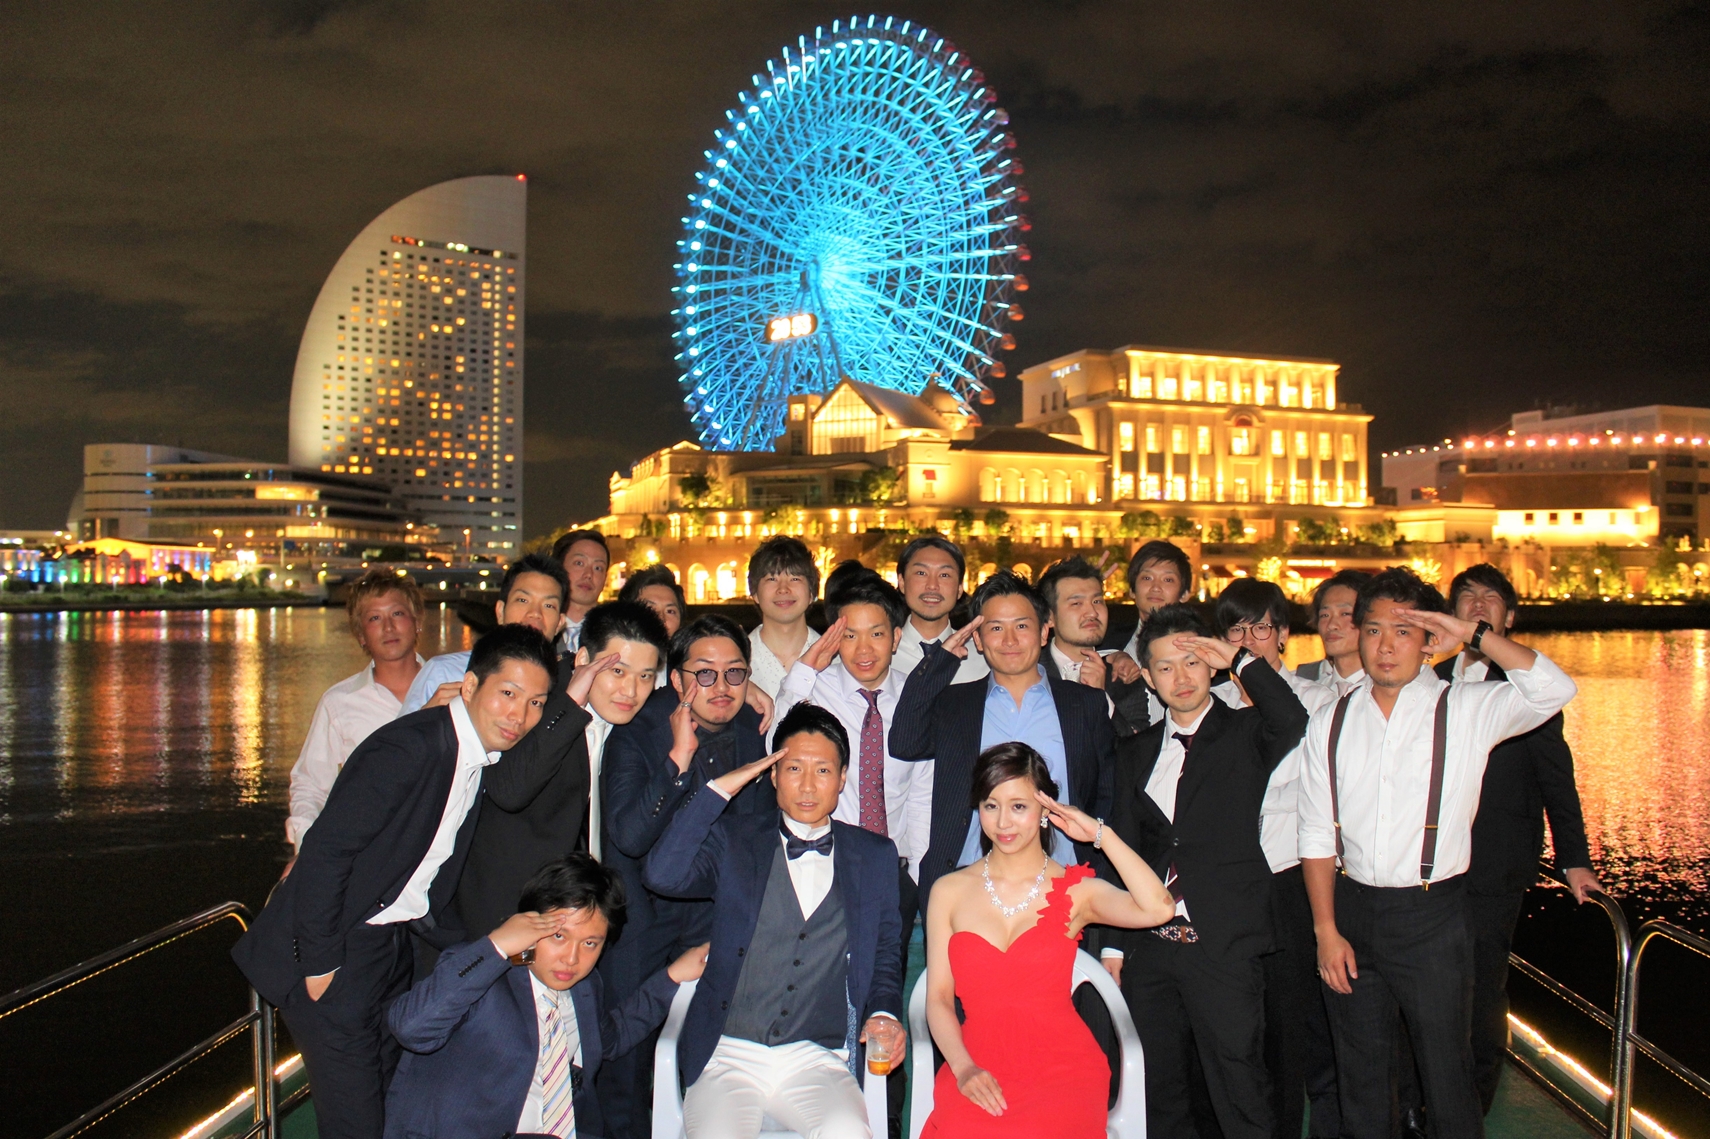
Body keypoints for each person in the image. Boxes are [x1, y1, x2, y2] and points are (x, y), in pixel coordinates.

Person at [231, 624, 559, 1139]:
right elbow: (326, 851)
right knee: (357, 1124)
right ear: (471, 685)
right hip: (334, 951)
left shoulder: (475, 758)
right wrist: (322, 966)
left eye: (536, 702)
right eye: (509, 694)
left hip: (390, 949)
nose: (520, 715)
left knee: (390, 1106)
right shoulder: (411, 746)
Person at [1299, 567, 1578, 1139]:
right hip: (1351, 911)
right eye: (1373, 630)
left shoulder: (1468, 707)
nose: (1385, 646)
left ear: (1430, 640)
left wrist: (1472, 633)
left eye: (1403, 631)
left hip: (1432, 916)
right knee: (1362, 1083)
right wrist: (1326, 930)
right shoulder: (1331, 719)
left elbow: (1554, 689)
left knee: (1447, 1078)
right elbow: (1316, 833)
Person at [646, 702, 907, 1139]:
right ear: (772, 775)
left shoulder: (873, 855)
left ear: (843, 778)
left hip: (817, 1057)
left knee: (849, 1133)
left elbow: (884, 954)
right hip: (728, 1053)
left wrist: (884, 1014)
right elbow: (662, 874)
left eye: (823, 771)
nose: (807, 785)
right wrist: (718, 791)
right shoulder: (736, 839)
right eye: (794, 769)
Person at [1100, 602, 1309, 1139]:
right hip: (1151, 946)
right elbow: (1123, 848)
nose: (1181, 677)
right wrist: (1114, 947)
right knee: (1159, 1087)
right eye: (1165, 666)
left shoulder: (1246, 731)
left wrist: (1237, 658)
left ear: (1210, 665)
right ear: (1148, 678)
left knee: (1239, 1083)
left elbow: (1292, 717)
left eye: (1192, 662)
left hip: (1224, 943)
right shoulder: (1134, 750)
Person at [919, 742, 1176, 1138]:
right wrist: (963, 1066)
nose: (1003, 822)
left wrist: (1100, 834)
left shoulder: (1076, 890)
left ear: (1045, 811)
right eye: (991, 805)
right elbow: (937, 998)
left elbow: (1159, 909)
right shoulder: (948, 891)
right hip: (974, 1059)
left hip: (1062, 1066)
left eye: (1019, 806)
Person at [597, 612, 775, 1138]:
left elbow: (753, 829)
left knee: (707, 1049)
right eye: (705, 673)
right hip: (640, 918)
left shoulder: (749, 726)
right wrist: (677, 762)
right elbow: (629, 837)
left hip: (712, 914)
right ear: (676, 680)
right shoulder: (637, 731)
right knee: (629, 1059)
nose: (721, 687)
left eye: (735, 673)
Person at [384, 856, 709, 1138]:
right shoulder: (484, 975)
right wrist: (496, 946)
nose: (572, 958)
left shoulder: (584, 987)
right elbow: (411, 1028)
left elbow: (609, 1038)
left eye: (590, 943)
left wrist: (673, 976)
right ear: (528, 925)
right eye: (558, 936)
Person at [769, 574, 932, 1134]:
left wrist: (916, 876)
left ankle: (886, 1117)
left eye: (877, 634)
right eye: (851, 635)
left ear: (896, 636)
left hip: (893, 873)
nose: (865, 649)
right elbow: (776, 752)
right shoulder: (815, 689)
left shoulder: (916, 694)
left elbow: (922, 793)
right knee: (826, 997)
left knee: (888, 998)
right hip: (827, 865)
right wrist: (804, 671)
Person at [1440, 563, 1599, 1115]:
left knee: (1483, 988)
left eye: (1491, 599)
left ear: (1509, 616)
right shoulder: (1431, 678)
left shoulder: (1527, 686)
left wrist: (1574, 858)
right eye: (1467, 597)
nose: (1478, 605)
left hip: (1496, 862)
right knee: (1430, 984)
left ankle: (1475, 1102)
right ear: (1451, 613)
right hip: (1430, 863)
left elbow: (1557, 777)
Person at [889, 569, 1116, 907]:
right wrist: (940, 662)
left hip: (1065, 889)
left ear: (1044, 631)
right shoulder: (955, 705)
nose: (1010, 641)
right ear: (978, 640)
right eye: (996, 628)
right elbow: (904, 742)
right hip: (968, 887)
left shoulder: (1085, 704)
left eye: (1022, 626)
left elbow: (1106, 798)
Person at [1209, 579, 1341, 1138]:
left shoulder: (1319, 702)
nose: (1247, 641)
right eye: (1235, 630)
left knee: (1289, 1026)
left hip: (1290, 877)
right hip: (1225, 886)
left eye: (1260, 628)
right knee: (1230, 1027)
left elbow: (1314, 791)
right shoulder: (1208, 703)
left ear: (1283, 634)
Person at [452, 602, 669, 939]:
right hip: (500, 915)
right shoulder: (540, 697)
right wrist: (570, 704)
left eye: (645, 676)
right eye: (617, 671)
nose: (631, 691)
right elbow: (508, 789)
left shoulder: (638, 717)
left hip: (588, 920)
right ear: (583, 659)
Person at [286, 569, 426, 855]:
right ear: (361, 635)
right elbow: (311, 785)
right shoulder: (340, 703)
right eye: (374, 618)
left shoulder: (456, 689)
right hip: (372, 854)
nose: (388, 627)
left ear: (417, 622)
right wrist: (307, 851)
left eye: (397, 614)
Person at [402, 553, 570, 714]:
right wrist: (426, 718)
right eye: (522, 600)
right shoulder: (444, 673)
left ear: (560, 623)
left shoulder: (569, 689)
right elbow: (397, 733)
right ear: (500, 611)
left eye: (549, 605)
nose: (535, 613)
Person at [1111, 539, 1193, 729]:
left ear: (1185, 594)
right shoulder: (1111, 643)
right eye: (1147, 578)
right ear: (1132, 590)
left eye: (1168, 580)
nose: (1156, 587)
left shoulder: (1200, 650)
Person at [1037, 555, 1144, 692]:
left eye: (1097, 601)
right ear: (1049, 617)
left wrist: (1099, 695)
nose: (1092, 613)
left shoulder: (1123, 676)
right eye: (1077, 603)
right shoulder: (1029, 670)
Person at [891, 535, 988, 683]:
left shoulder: (982, 657)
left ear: (960, 588)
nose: (932, 586)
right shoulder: (879, 656)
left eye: (944, 575)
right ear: (902, 582)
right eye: (921, 573)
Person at [745, 534, 821, 699]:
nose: (783, 589)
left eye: (795, 578)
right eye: (772, 578)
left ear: (811, 593)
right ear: (755, 593)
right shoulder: (739, 661)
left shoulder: (834, 658)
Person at [1295, 569, 1372, 695]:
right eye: (1325, 615)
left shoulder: (1388, 693)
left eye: (1345, 614)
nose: (1331, 625)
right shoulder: (1304, 690)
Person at [554, 528, 611, 654]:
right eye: (579, 563)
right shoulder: (540, 626)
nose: (588, 574)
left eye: (598, 568)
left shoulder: (615, 634)